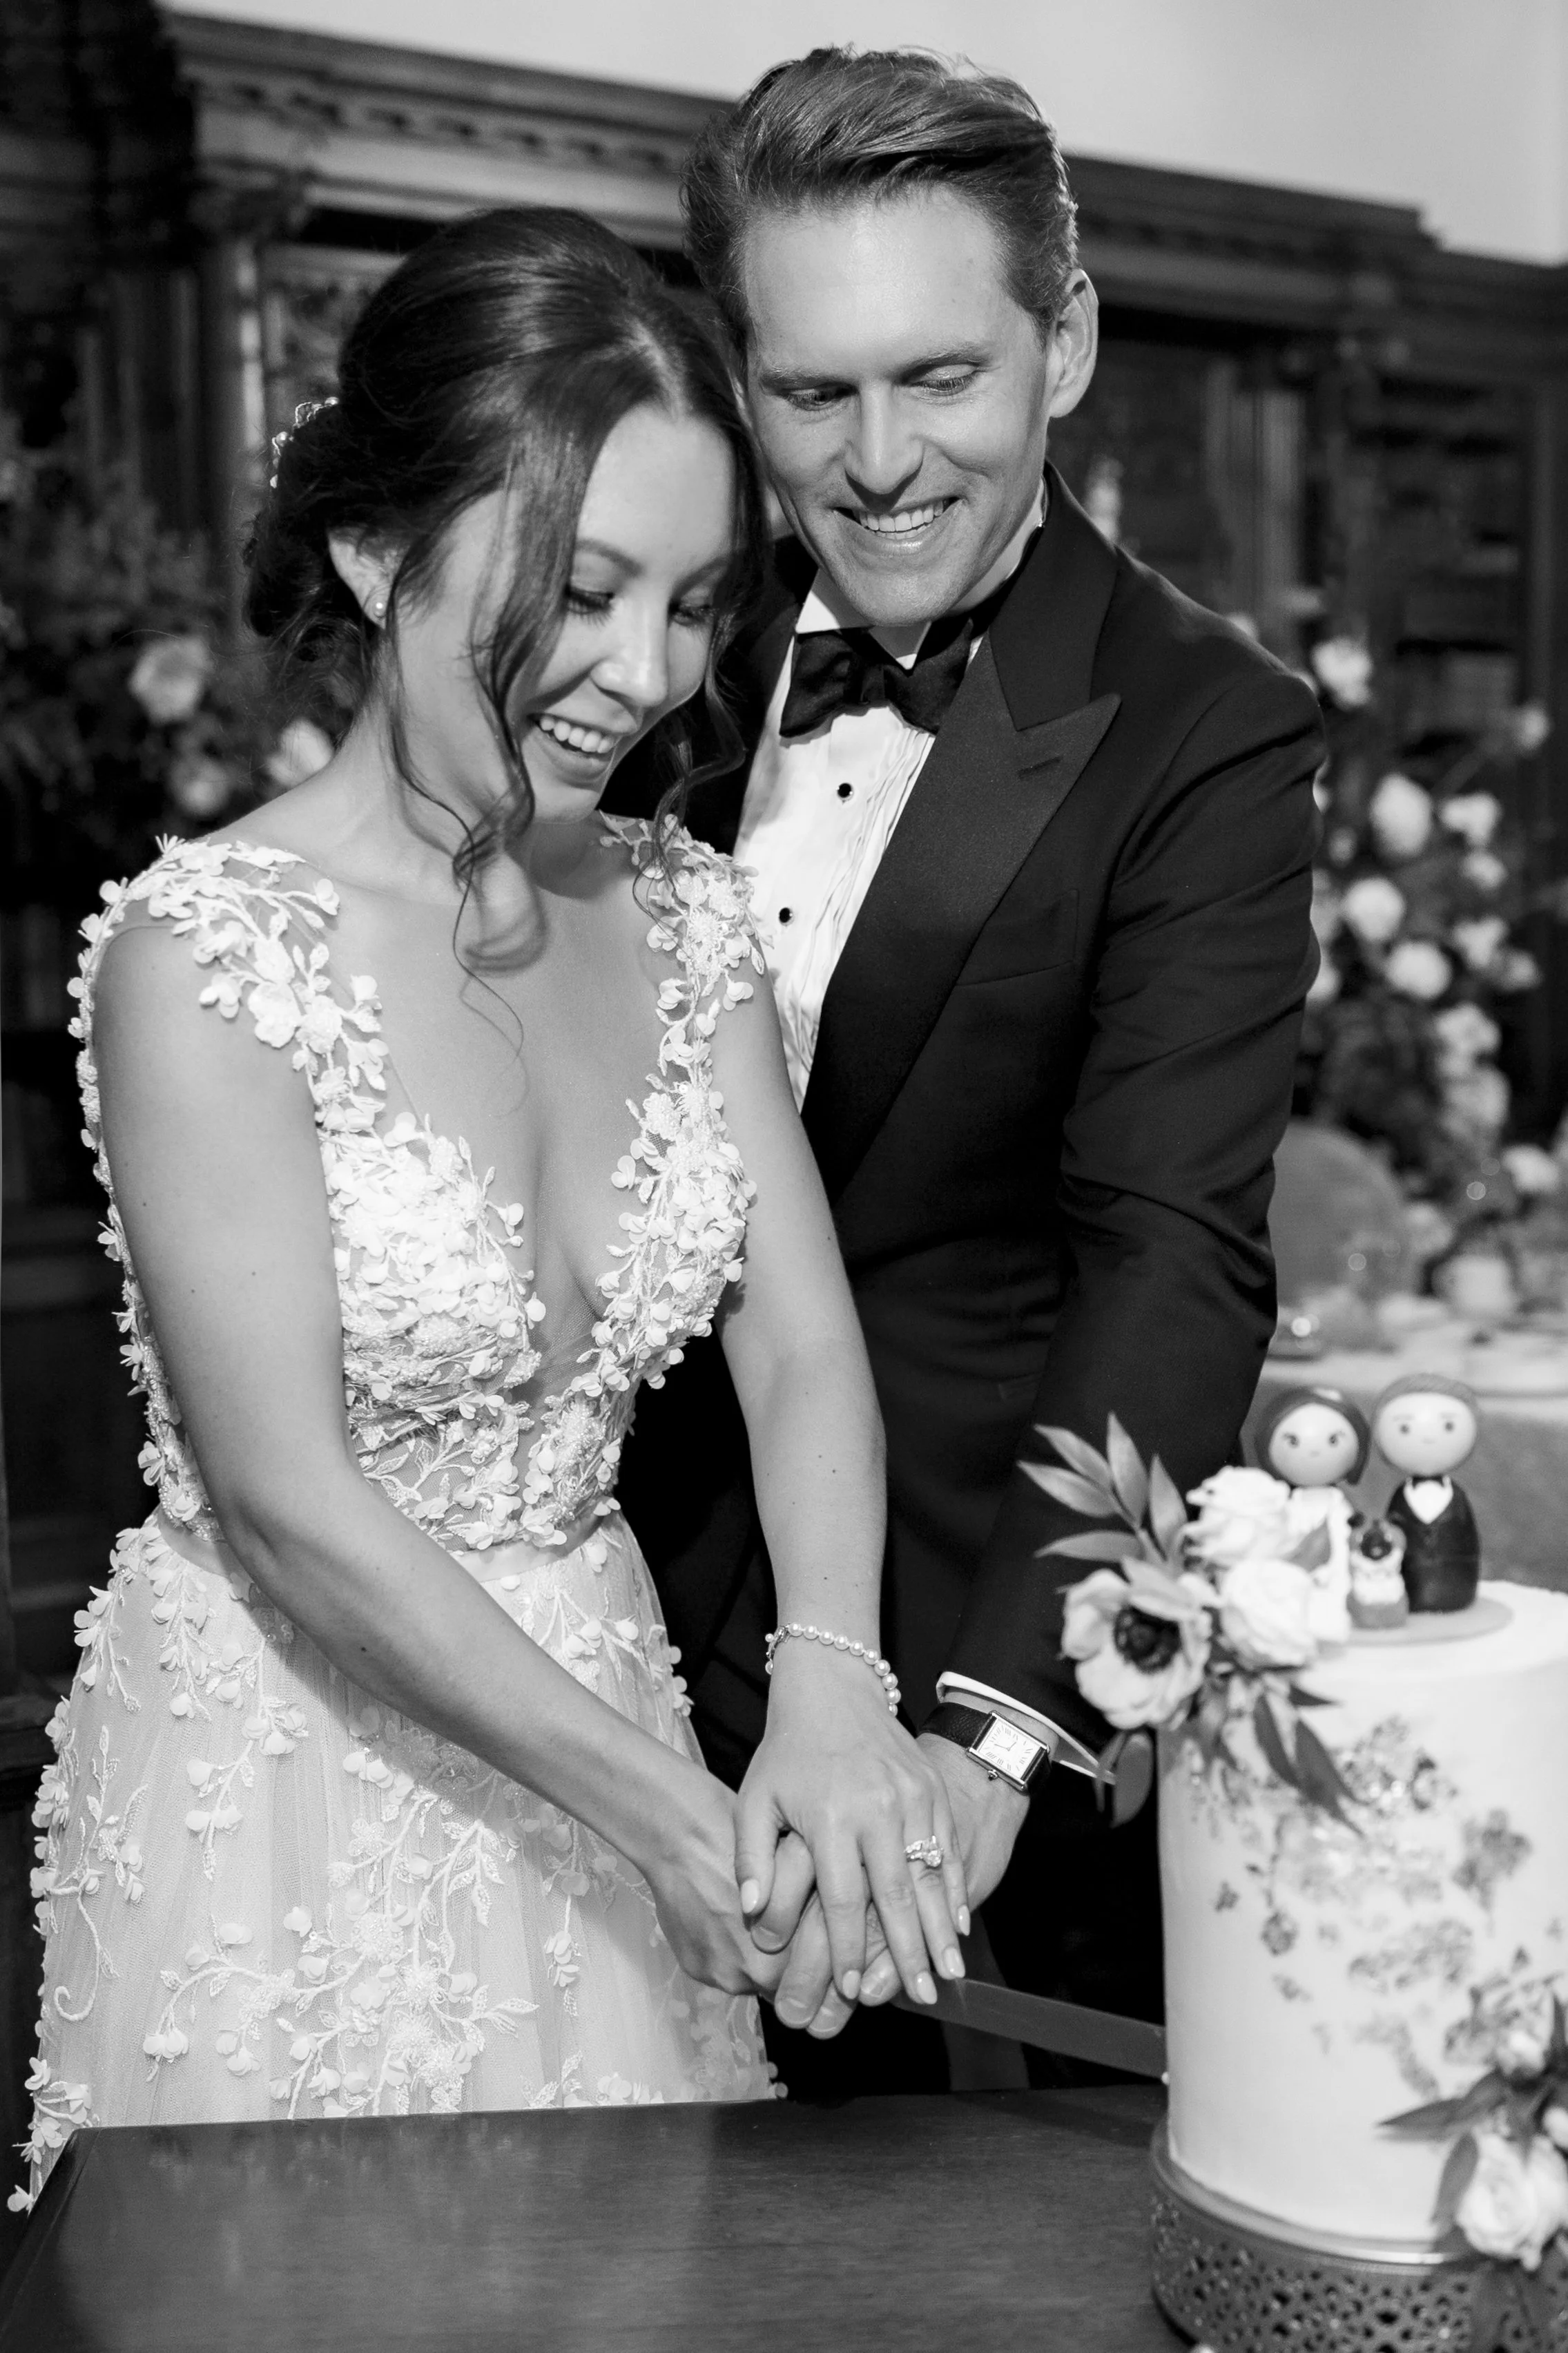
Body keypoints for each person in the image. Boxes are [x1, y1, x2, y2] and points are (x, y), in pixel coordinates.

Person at [17, 206, 969, 2199]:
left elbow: (795, 1336)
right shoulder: (203, 958)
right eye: (580, 587)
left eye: (697, 602)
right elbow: (290, 1498)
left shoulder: (686, 909)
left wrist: (825, 1683)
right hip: (287, 1782)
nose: (642, 674)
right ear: (377, 550)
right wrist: (675, 1817)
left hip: (611, 1698)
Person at [610, 49, 1324, 2085]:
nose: (880, 459)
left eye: (942, 377)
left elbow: (1169, 1253)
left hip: (953, 1663)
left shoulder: (1205, 722)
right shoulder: (647, 650)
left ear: (1065, 341)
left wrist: (996, 1727)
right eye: (810, 391)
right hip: (591, 1620)